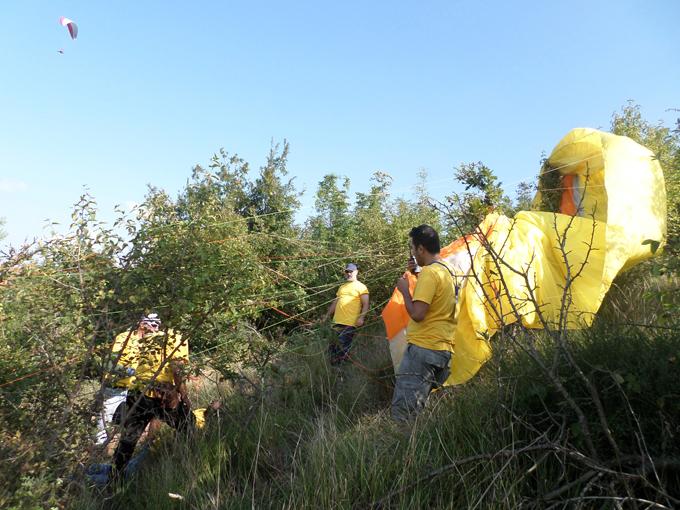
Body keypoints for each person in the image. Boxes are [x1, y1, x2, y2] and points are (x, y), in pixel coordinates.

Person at [112, 314, 194, 476]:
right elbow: (177, 370)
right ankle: (189, 465)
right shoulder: (177, 338)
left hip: (137, 392)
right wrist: (184, 396)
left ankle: (115, 478)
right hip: (161, 395)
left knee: (128, 440)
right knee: (188, 427)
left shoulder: (145, 339)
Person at [391, 225, 457, 423]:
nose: (412, 252)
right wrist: (417, 273)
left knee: (404, 414)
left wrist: (404, 290)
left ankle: (405, 452)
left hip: (423, 350)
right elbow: (437, 298)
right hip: (442, 350)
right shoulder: (448, 270)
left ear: (421, 249)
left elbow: (418, 314)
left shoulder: (430, 273)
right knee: (419, 411)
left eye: (413, 248)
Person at [94, 323, 141, 448]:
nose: (155, 327)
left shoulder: (149, 342)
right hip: (115, 387)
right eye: (152, 324)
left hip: (131, 388)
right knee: (105, 420)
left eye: (157, 324)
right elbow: (111, 363)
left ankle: (120, 447)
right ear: (142, 324)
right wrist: (128, 371)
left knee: (133, 418)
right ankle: (98, 448)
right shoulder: (124, 338)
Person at [323, 263, 369, 364]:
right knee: (332, 347)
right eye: (347, 272)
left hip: (349, 323)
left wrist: (361, 318)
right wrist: (326, 316)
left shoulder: (361, 287)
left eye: (351, 271)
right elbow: (335, 302)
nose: (348, 273)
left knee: (342, 348)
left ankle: (341, 372)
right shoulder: (342, 287)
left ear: (356, 272)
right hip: (336, 322)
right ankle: (333, 371)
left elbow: (366, 304)